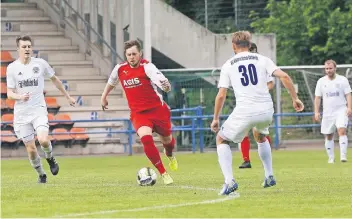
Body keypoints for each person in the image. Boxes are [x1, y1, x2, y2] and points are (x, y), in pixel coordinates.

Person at [210, 31, 304, 195]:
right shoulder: (263, 59)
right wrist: (295, 99)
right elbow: (285, 76)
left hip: (246, 109)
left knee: (221, 139)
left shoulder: (229, 64)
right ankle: (269, 175)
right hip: (266, 109)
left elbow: (221, 95)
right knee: (260, 135)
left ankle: (229, 181)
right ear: (249, 44)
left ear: (233, 46)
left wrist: (216, 118)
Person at [101, 40, 178, 185]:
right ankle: (163, 173)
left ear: (140, 54)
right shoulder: (120, 69)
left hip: (158, 110)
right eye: (129, 54)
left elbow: (161, 81)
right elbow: (111, 82)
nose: (131, 57)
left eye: (134, 54)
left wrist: (166, 87)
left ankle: (170, 155)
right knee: (146, 139)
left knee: (167, 141)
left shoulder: (147, 67)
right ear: (125, 55)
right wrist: (103, 97)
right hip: (139, 114)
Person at [6, 35, 76, 183]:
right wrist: (20, 97)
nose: (27, 49)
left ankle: (50, 158)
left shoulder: (40, 64)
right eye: (24, 47)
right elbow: (9, 93)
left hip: (38, 110)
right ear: (18, 49)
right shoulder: (12, 68)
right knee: (31, 150)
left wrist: (68, 96)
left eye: (29, 46)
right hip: (22, 114)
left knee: (43, 140)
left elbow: (55, 80)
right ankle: (41, 174)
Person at [239, 42, 273, 169]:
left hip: (261, 103)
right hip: (245, 103)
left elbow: (271, 83)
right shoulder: (240, 65)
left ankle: (267, 158)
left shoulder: (262, 64)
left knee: (260, 132)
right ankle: (246, 160)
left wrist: (261, 91)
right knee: (243, 131)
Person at [314, 59, 352, 163]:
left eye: (330, 68)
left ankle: (343, 156)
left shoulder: (342, 80)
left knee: (342, 130)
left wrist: (349, 107)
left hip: (341, 109)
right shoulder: (321, 81)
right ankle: (331, 158)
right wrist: (316, 112)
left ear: (335, 68)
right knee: (329, 135)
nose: (328, 70)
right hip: (328, 112)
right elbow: (317, 97)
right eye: (326, 68)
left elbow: (348, 94)